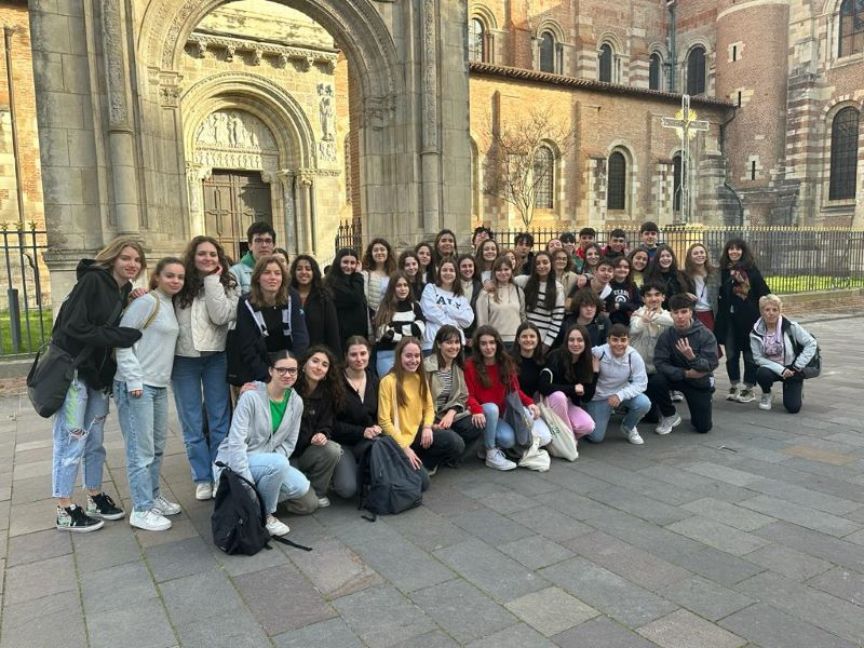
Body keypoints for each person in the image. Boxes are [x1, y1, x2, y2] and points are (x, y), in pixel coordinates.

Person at [51, 238, 145, 532]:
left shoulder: (123, 289)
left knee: (95, 440)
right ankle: (64, 507)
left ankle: (94, 494)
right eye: (125, 258)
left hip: (98, 376)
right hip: (75, 372)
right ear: (112, 258)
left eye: (137, 260)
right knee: (72, 439)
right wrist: (118, 336)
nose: (132, 264)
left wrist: (132, 300)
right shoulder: (93, 281)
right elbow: (73, 326)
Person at [114, 257, 184, 532]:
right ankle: (141, 509)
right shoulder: (146, 302)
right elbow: (122, 340)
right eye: (170, 275)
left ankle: (152, 497)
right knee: (140, 451)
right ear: (157, 277)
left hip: (158, 385)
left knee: (156, 447)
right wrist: (133, 379)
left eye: (180, 277)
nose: (175, 280)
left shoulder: (169, 304)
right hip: (137, 385)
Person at [214, 351, 318, 536]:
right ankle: (266, 515)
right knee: (278, 464)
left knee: (300, 486)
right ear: (271, 370)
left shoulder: (296, 402)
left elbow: (289, 443)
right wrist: (247, 486)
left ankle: (250, 505)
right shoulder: (251, 396)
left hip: (268, 460)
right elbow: (236, 444)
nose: (287, 375)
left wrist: (273, 465)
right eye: (281, 370)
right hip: (236, 461)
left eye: (292, 370)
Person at [173, 236, 239, 501]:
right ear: (193, 256)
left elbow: (220, 316)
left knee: (219, 419)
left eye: (213, 254)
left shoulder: (228, 283)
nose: (208, 258)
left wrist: (213, 281)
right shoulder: (180, 282)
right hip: (184, 359)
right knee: (191, 422)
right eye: (202, 254)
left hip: (216, 357)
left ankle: (219, 471)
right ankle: (201, 477)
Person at [464, 326, 548, 471]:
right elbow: (467, 395)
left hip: (499, 415)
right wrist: (476, 409)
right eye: (483, 343)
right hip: (479, 414)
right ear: (478, 346)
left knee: (508, 440)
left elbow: (514, 390)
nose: (488, 347)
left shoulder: (505, 362)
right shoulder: (470, 365)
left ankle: (485, 446)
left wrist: (530, 403)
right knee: (491, 408)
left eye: (492, 342)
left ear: (497, 344)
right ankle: (491, 453)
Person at [379, 337, 463, 477]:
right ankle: (412, 465)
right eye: (408, 356)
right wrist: (405, 448)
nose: (413, 360)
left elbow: (429, 408)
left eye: (417, 356)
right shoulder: (388, 382)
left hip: (417, 434)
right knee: (423, 482)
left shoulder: (419, 378)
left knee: (456, 443)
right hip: (398, 439)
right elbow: (384, 421)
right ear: (399, 357)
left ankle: (424, 463)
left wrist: (427, 427)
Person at [227, 255, 310, 386]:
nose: (273, 277)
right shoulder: (246, 302)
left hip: (289, 362)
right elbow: (247, 345)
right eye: (267, 273)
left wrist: (291, 368)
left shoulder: (292, 297)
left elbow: (301, 336)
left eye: (277, 273)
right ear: (257, 277)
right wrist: (267, 375)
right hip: (260, 367)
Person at [646, 294, 719, 434]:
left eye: (684, 312)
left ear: (691, 312)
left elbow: (711, 364)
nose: (680, 316)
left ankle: (700, 408)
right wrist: (684, 373)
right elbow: (660, 363)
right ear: (671, 314)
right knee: (656, 380)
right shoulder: (667, 335)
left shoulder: (705, 334)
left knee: (703, 427)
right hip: (677, 378)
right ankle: (669, 415)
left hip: (698, 381)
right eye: (676, 312)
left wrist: (692, 357)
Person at [715, 238, 770, 403]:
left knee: (749, 355)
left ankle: (749, 388)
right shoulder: (723, 271)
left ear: (743, 251)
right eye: (731, 249)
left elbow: (764, 292)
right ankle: (734, 384)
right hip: (729, 320)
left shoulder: (751, 270)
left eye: (738, 249)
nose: (734, 252)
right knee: (731, 354)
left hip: (749, 320)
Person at [292, 347, 344, 509]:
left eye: (324, 365)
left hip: (306, 453)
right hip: (285, 454)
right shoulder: (290, 387)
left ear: (327, 372)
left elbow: (326, 424)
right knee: (306, 503)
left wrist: (322, 434)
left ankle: (318, 491)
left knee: (332, 449)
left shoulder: (327, 394)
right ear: (303, 365)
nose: (319, 367)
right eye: (315, 361)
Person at [750, 295, 817, 413]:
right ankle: (766, 393)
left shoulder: (791, 327)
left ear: (780, 311)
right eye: (767, 310)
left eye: (775, 310)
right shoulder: (755, 333)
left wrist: (798, 365)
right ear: (761, 312)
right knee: (762, 373)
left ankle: (795, 388)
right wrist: (781, 370)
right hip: (771, 368)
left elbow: (811, 343)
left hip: (793, 368)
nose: (771, 313)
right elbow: (758, 358)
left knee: (793, 408)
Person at [585, 324, 651, 445]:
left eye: (623, 340)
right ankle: (588, 414)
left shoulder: (634, 356)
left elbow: (641, 383)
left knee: (644, 403)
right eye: (615, 340)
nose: (619, 344)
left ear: (628, 341)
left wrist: (620, 395)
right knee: (596, 438)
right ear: (608, 340)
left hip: (620, 393)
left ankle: (628, 427)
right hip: (599, 396)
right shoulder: (598, 352)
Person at [333, 337, 381, 499]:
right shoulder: (335, 382)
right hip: (342, 442)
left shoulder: (373, 379)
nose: (359, 359)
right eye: (353, 355)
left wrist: (377, 425)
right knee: (348, 489)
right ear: (346, 356)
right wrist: (361, 431)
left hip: (367, 441)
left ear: (369, 354)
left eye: (363, 353)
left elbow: (379, 414)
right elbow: (331, 423)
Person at [424, 326, 483, 454]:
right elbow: (420, 400)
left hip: (449, 415)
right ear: (439, 344)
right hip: (430, 417)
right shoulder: (426, 366)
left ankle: (453, 457)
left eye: (457, 342)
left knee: (478, 424)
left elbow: (462, 396)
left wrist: (450, 414)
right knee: (455, 442)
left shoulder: (458, 367)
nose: (454, 346)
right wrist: (431, 423)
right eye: (449, 342)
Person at [539, 324, 597, 441]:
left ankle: (562, 437)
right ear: (566, 341)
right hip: (550, 401)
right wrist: (572, 389)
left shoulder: (587, 361)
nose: (575, 344)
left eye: (580, 340)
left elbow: (587, 398)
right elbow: (543, 386)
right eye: (571, 340)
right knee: (559, 396)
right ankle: (569, 440)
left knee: (589, 426)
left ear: (586, 343)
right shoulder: (555, 356)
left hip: (569, 404)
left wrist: (595, 373)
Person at [373, 271, 426, 376]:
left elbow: (419, 329)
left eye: (405, 285)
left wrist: (395, 329)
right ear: (392, 288)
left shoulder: (415, 306)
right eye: (399, 285)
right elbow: (384, 334)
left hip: (410, 356)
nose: (403, 288)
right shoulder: (383, 307)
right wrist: (409, 335)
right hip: (387, 355)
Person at [420, 259, 475, 352]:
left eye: (451, 270)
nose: (448, 273)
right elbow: (429, 312)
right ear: (439, 273)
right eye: (444, 270)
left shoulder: (460, 297)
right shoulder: (431, 288)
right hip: (432, 343)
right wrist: (455, 323)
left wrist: (445, 308)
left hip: (456, 345)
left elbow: (468, 320)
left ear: (456, 274)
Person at [290, 255, 341, 353]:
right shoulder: (287, 296)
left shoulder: (324, 297)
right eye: (299, 269)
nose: (303, 272)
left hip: (317, 354)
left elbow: (332, 331)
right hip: (292, 355)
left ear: (314, 272)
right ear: (294, 272)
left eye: (308, 269)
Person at [515, 251, 565, 350]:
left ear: (551, 264)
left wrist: (546, 345)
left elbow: (557, 320)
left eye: (545, 262)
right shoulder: (524, 281)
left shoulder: (558, 288)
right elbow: (505, 278)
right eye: (538, 263)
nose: (541, 266)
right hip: (524, 338)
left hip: (542, 341)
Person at [475, 256, 526, 345]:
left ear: (511, 270)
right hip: (495, 341)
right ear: (494, 272)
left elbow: (523, 316)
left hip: (516, 341)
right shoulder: (485, 292)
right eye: (499, 270)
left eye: (506, 269)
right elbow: (482, 321)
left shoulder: (518, 290)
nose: (503, 273)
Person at [326, 248, 369, 353]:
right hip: (341, 336)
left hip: (358, 335)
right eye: (345, 262)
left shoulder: (355, 281)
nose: (349, 266)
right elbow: (355, 297)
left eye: (352, 263)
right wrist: (358, 274)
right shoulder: (332, 282)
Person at [629, 281, 674, 379]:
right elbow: (634, 329)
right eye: (649, 295)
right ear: (643, 299)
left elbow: (673, 322)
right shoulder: (636, 314)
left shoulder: (669, 315)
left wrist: (649, 317)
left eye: (657, 295)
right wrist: (643, 320)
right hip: (637, 370)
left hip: (660, 371)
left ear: (663, 297)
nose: (653, 299)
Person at [229, 221, 277, 295]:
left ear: (273, 245)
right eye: (258, 241)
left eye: (268, 241)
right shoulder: (235, 273)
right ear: (250, 246)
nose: (264, 245)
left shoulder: (279, 272)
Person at [684, 243, 720, 333]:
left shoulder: (715, 273)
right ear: (690, 257)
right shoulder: (685, 275)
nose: (699, 255)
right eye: (695, 253)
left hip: (712, 314)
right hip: (693, 314)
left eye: (702, 252)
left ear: (706, 255)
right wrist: (685, 294)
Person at [644, 244, 694, 309]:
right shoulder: (651, 276)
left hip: (679, 312)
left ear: (672, 258)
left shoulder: (682, 275)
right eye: (662, 256)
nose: (665, 258)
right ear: (657, 259)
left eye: (668, 256)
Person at [511, 322, 547, 399]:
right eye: (524, 336)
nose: (528, 339)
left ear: (538, 339)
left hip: (536, 402)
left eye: (532, 336)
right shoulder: (509, 360)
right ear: (518, 340)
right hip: (515, 401)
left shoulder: (544, 362)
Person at [361, 238, 396, 316]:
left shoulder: (395, 274)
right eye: (375, 250)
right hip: (373, 315)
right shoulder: (366, 275)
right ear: (371, 254)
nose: (379, 252)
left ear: (388, 252)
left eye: (382, 250)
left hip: (393, 314)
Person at [605, 255, 641, 326]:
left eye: (626, 267)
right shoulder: (607, 284)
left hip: (628, 323)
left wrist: (621, 305)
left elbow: (638, 305)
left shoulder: (632, 285)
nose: (622, 269)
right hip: (609, 323)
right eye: (618, 267)